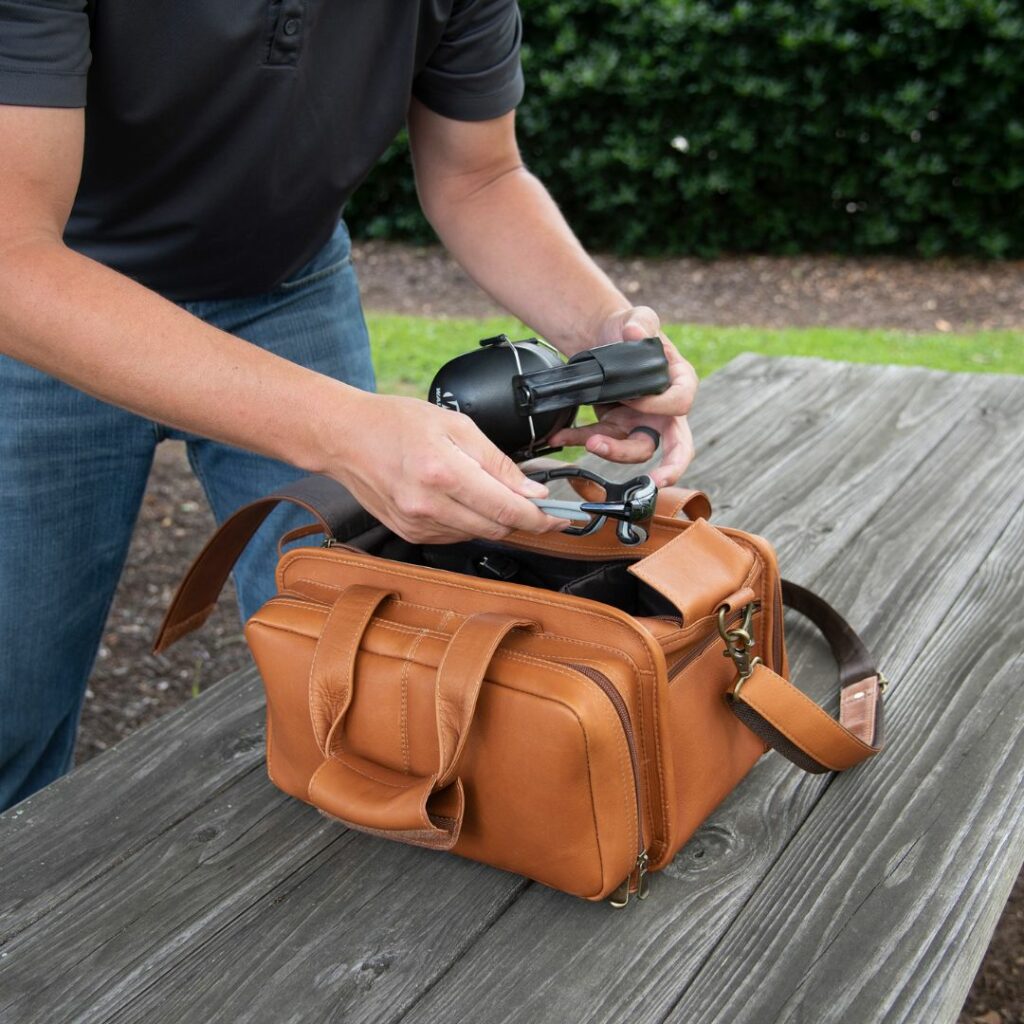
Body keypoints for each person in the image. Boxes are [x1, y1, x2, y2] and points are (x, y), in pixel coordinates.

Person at [0, 0, 698, 810]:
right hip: (47, 305)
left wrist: (604, 335)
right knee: (11, 702)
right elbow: (12, 255)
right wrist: (345, 429)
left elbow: (479, 174)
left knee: (362, 669)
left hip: (286, 288)